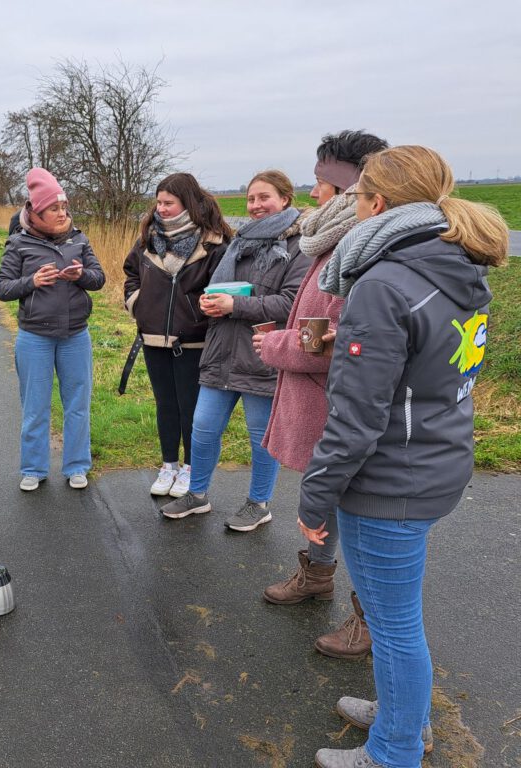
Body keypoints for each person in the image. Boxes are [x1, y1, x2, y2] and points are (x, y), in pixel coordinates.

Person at [304, 145, 507, 768]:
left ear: (378, 204)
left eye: (355, 196)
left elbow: (358, 416)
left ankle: (394, 749)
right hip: (436, 460)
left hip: (390, 479)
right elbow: (429, 366)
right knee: (399, 620)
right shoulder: (455, 267)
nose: (349, 207)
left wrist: (315, 497)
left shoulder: (386, 282)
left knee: (393, 629)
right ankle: (404, 714)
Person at [254, 131, 389, 662]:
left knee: (358, 511)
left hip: (344, 405)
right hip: (323, 399)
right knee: (325, 493)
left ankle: (370, 618)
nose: (312, 193)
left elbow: (340, 343)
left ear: (357, 188)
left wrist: (277, 344)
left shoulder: (362, 249)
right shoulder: (333, 239)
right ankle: (316, 575)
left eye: (321, 183)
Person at [161, 170, 309, 529]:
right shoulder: (238, 243)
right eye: (251, 198)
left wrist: (234, 306)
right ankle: (197, 495)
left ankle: (259, 504)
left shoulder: (298, 248)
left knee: (261, 439)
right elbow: (222, 289)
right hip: (221, 352)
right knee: (203, 428)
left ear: (285, 200)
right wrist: (211, 303)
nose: (255, 205)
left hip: (262, 354)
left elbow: (293, 304)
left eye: (264, 198)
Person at [0, 168, 106, 491]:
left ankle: (76, 466)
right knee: (35, 406)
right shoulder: (19, 244)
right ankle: (33, 468)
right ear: (36, 212)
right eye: (54, 209)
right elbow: (2, 288)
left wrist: (81, 275)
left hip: (75, 336)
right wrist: (32, 282)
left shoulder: (79, 239)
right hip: (35, 338)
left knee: (77, 405)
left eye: (64, 208)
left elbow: (99, 280)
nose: (62, 214)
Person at [123, 173, 233, 498]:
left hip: (194, 341)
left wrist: (199, 315)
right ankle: (168, 464)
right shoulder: (148, 239)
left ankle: (189, 468)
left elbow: (221, 288)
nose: (162, 209)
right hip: (153, 338)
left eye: (168, 203)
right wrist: (137, 304)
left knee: (191, 408)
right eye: (158, 202)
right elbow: (130, 273)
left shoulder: (214, 244)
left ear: (187, 203)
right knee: (165, 405)